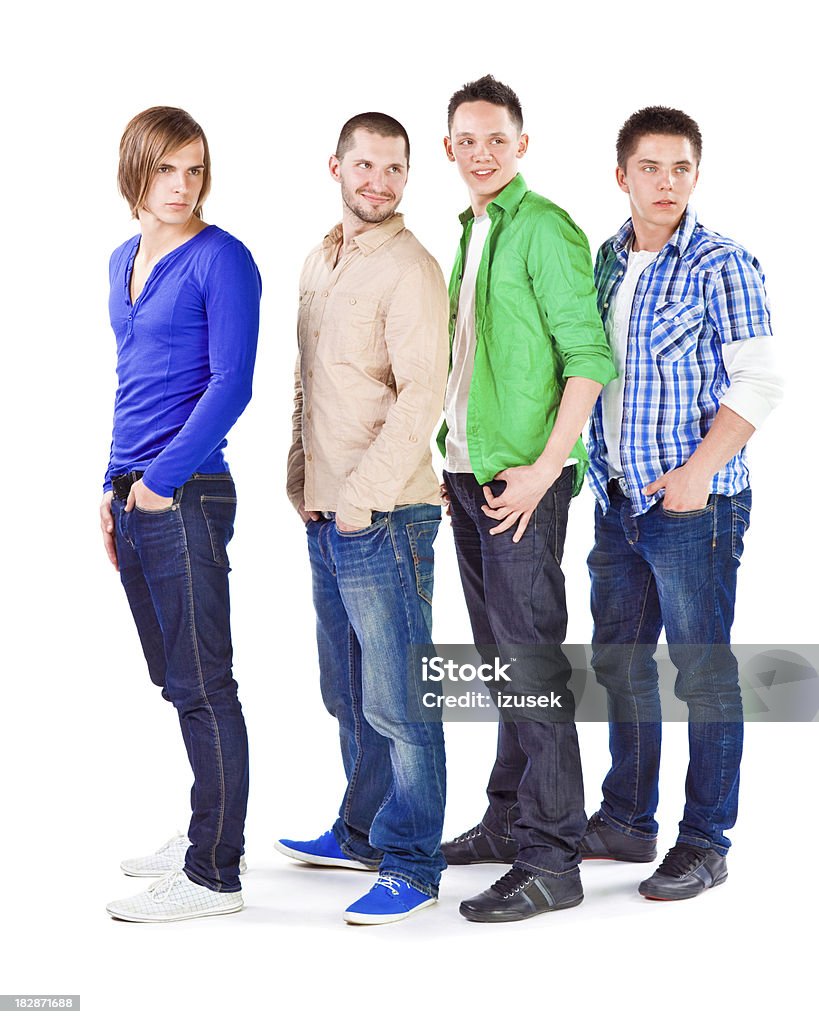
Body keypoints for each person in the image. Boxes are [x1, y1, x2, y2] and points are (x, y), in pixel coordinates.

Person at [581, 106, 782, 899]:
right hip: (619, 502)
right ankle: (626, 820)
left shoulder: (721, 263)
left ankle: (704, 840)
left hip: (694, 508)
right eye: (650, 168)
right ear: (622, 174)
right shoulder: (603, 260)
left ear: (695, 176)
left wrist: (699, 471)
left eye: (680, 169)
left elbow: (761, 382)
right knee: (620, 666)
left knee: (702, 673)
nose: (665, 183)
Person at [438, 75, 616, 922]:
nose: (481, 153)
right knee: (500, 664)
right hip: (469, 478)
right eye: (467, 140)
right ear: (449, 149)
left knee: (532, 667)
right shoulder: (470, 232)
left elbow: (587, 359)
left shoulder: (543, 229)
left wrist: (546, 469)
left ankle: (553, 857)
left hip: (524, 482)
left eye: (495, 140)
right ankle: (509, 820)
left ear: (521, 144)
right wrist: (452, 461)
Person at [277, 112, 450, 925]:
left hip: (387, 518)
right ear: (336, 167)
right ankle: (360, 832)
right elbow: (309, 382)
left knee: (401, 702)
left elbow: (423, 395)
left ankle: (412, 865)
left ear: (407, 177)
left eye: (394, 168)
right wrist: (302, 483)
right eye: (366, 165)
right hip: (326, 514)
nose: (379, 181)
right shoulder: (320, 260)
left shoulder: (411, 269)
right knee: (346, 692)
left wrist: (359, 499)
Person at [101, 106, 262, 922]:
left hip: (188, 492)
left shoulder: (222, 259)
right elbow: (134, 379)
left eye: (195, 169)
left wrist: (159, 481)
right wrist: (112, 483)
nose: (182, 185)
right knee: (173, 678)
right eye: (167, 168)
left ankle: (213, 875)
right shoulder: (123, 259)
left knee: (204, 685)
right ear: (137, 168)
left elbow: (230, 383)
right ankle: (210, 826)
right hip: (136, 492)